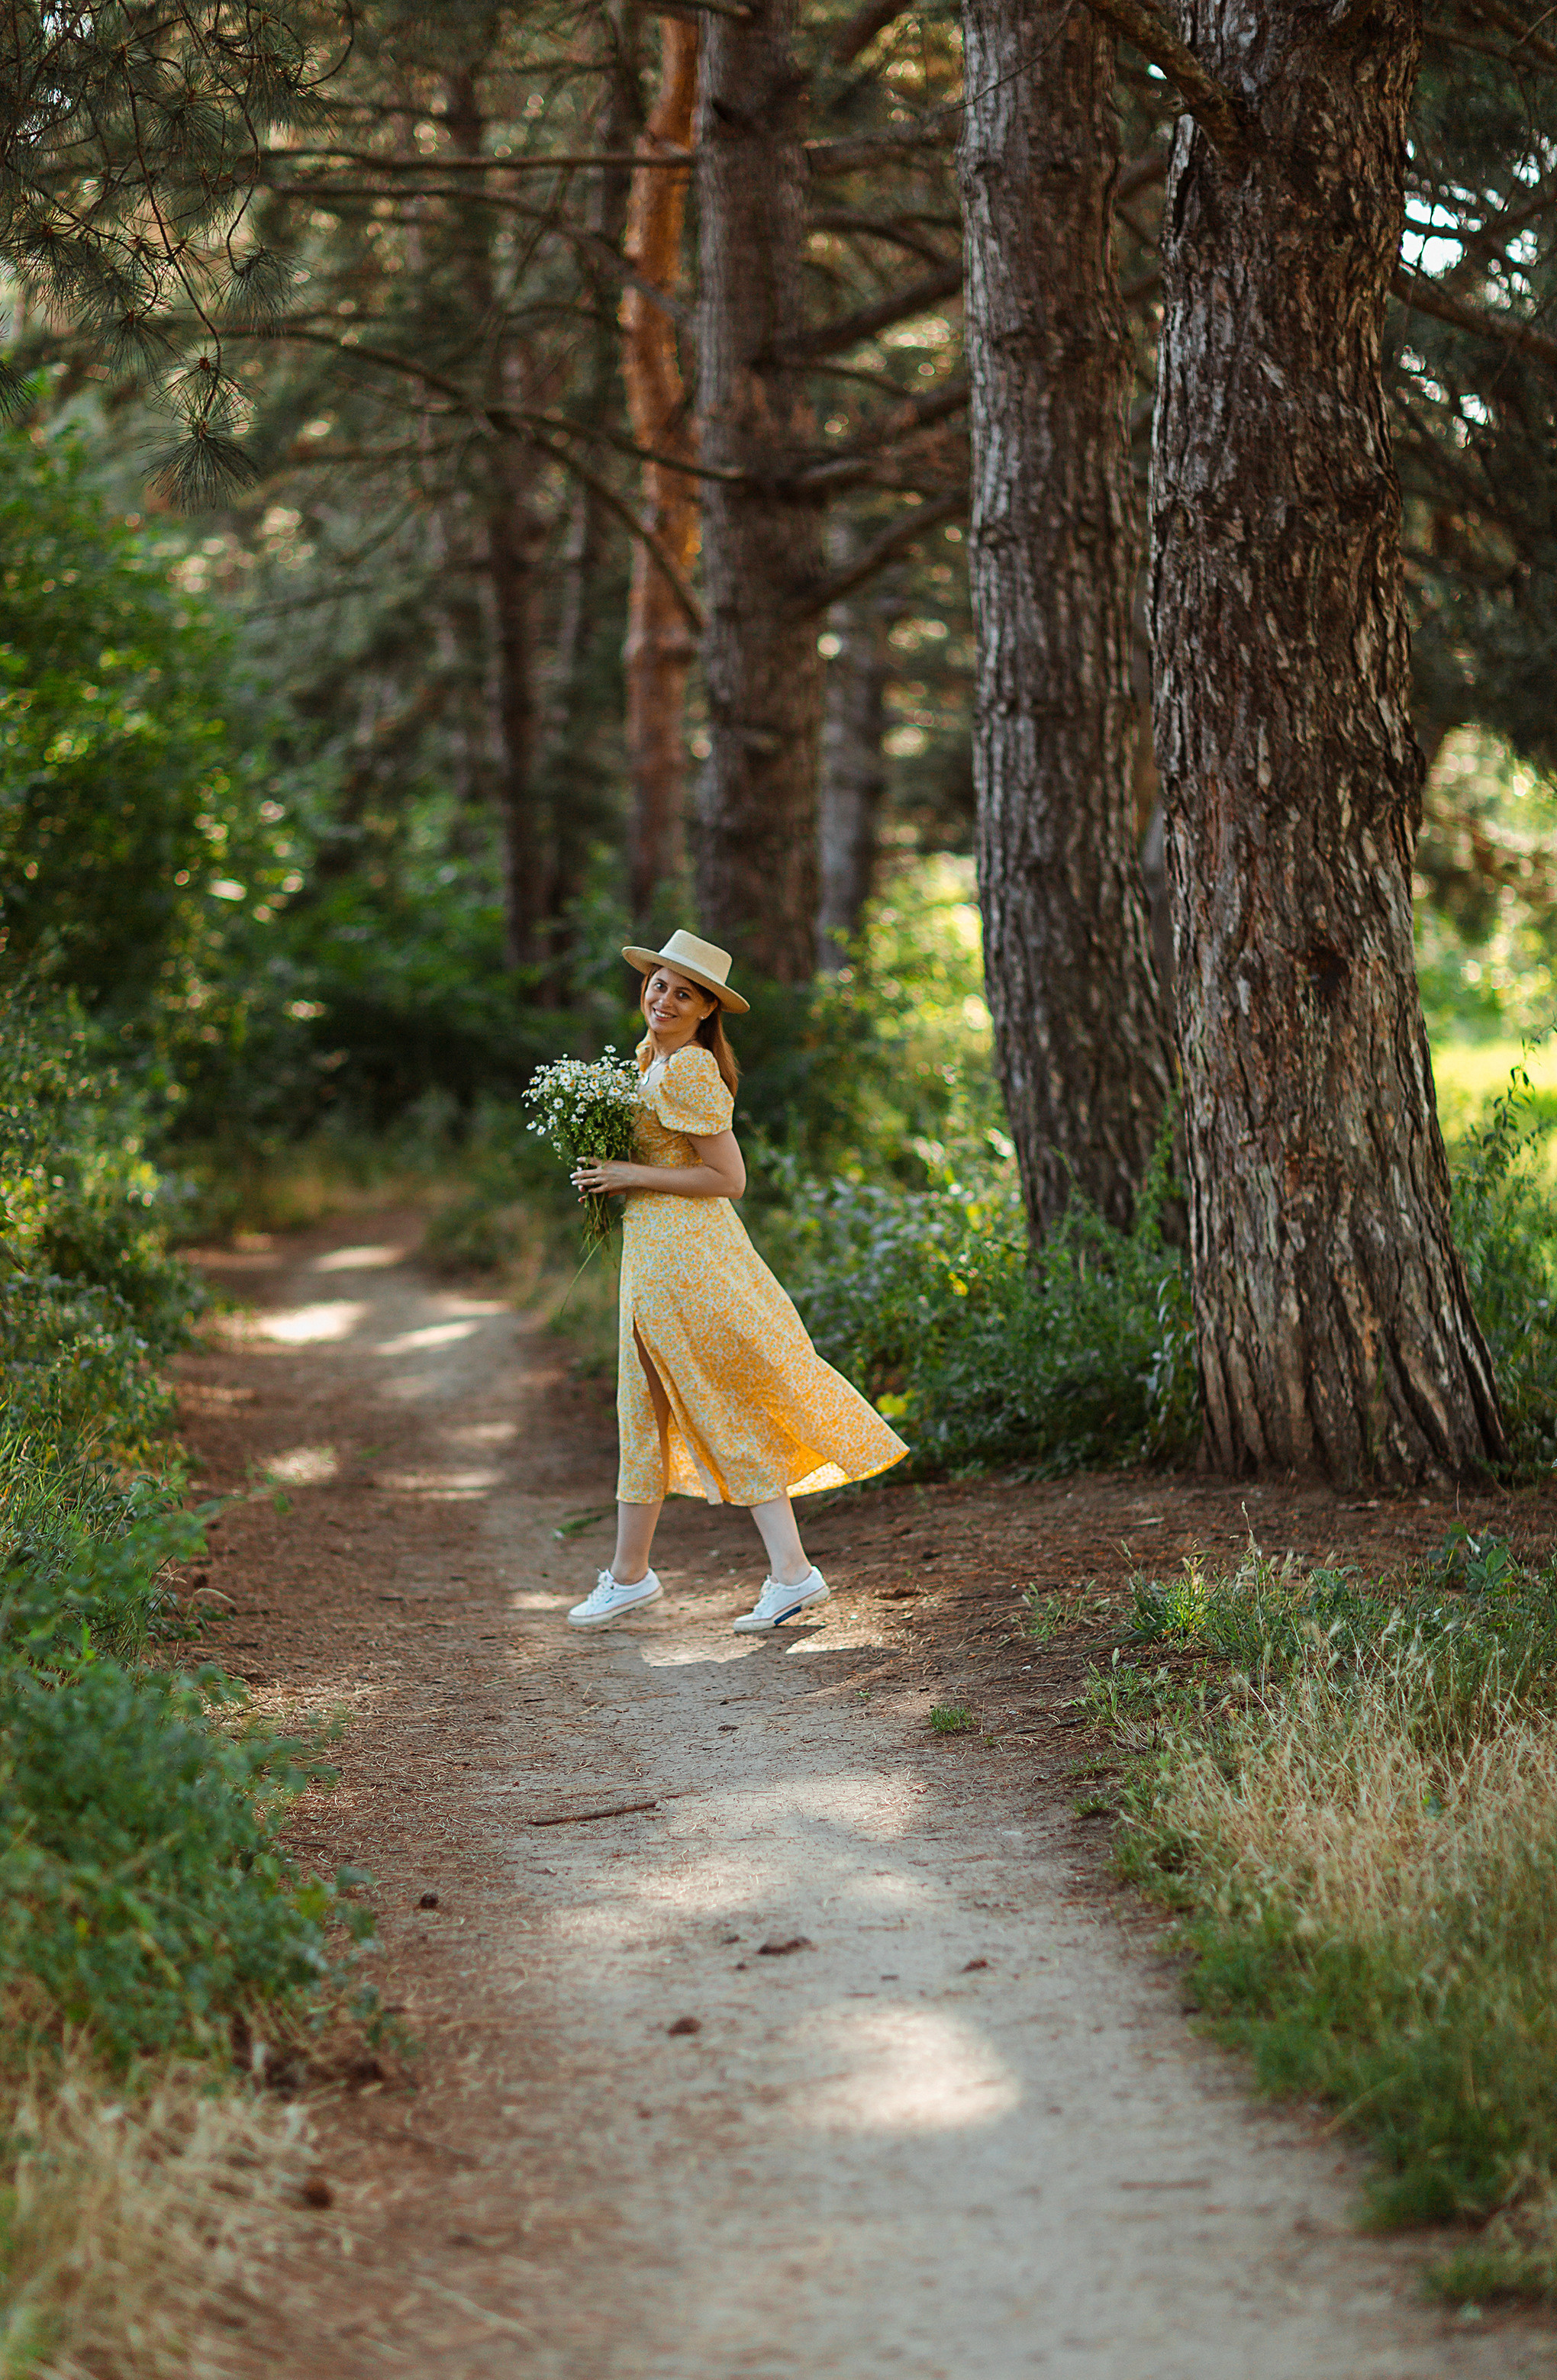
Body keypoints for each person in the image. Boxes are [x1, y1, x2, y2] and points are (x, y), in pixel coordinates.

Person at [567, 928, 907, 1634]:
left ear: (705, 1011)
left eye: (682, 994)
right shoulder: (649, 1061)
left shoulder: (690, 1069)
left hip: (693, 1259)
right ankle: (633, 1575)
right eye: (660, 984)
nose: (664, 998)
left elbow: (729, 1178)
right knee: (645, 1406)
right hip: (654, 1259)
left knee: (722, 1397)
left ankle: (790, 1572)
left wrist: (630, 1174)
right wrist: (608, 1175)